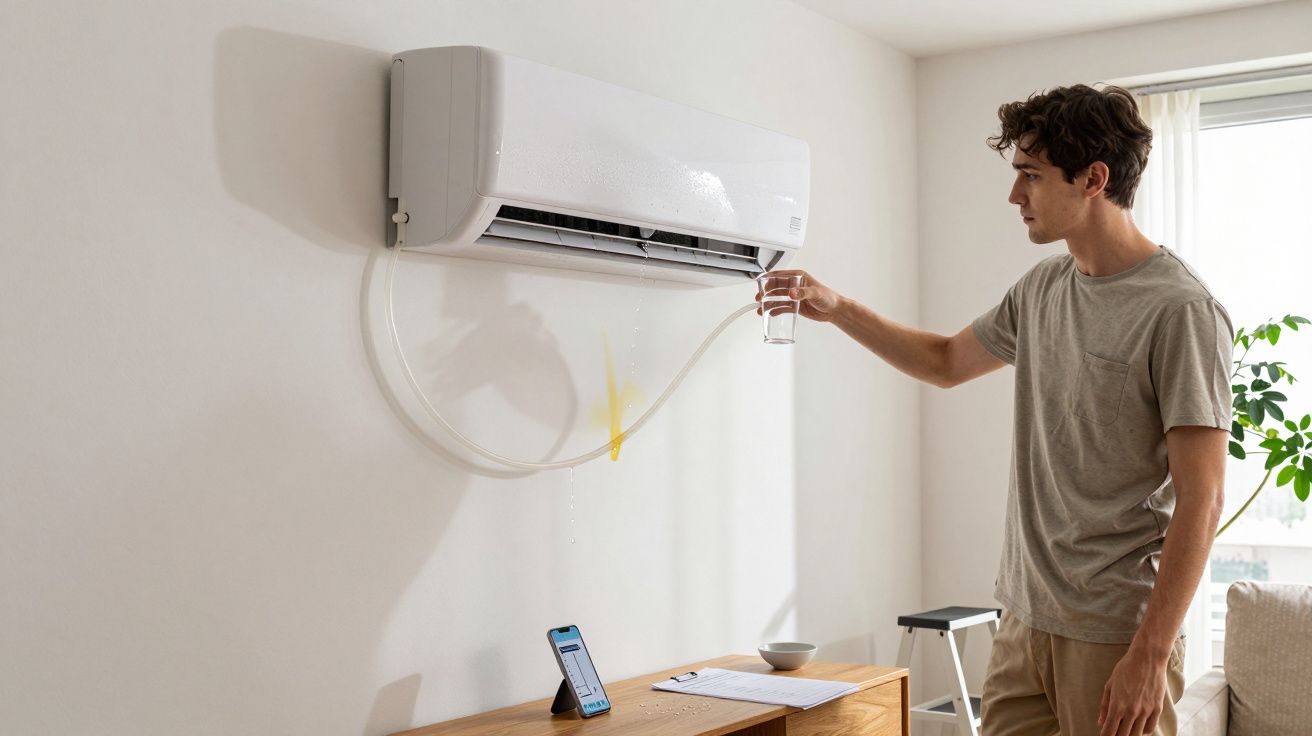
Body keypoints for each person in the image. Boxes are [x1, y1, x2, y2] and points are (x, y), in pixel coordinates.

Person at [761, 84, 1231, 736]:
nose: (1015, 197)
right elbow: (946, 362)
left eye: (1031, 177)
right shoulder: (1041, 289)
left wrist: (1150, 655)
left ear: (1094, 178)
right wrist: (837, 309)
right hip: (1022, 624)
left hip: (1113, 635)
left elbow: (1202, 499)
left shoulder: (1180, 311)